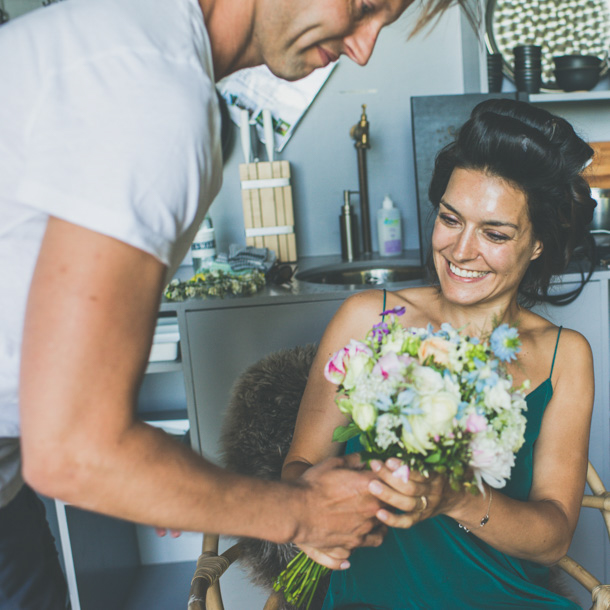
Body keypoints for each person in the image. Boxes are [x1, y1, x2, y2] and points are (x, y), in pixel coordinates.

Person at [0, 0, 477, 606]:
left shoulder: (135, 44)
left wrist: (146, 461)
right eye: (361, 7)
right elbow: (74, 451)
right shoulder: (152, 90)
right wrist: (304, 514)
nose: (363, 48)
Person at [282, 98, 596, 609]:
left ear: (537, 243)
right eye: (450, 219)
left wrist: (452, 496)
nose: (461, 250)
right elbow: (299, 468)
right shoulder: (370, 318)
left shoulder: (565, 356)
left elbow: (554, 538)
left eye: (494, 233)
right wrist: (317, 506)